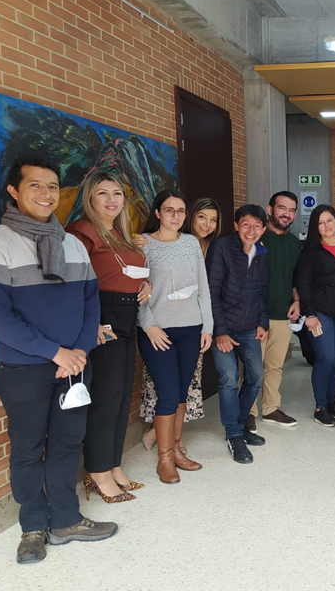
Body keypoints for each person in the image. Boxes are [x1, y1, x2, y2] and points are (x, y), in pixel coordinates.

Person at [0, 157, 117, 564]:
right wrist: (57, 353)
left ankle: (66, 519)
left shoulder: (71, 243)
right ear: (14, 192)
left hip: (74, 365)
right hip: (22, 369)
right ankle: (33, 527)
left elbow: (92, 303)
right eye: (35, 185)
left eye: (53, 186)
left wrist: (78, 353)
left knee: (68, 444)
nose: (46, 194)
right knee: (27, 448)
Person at [67, 171, 152, 503]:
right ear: (90, 198)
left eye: (117, 193)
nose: (112, 200)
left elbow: (130, 272)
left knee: (119, 399)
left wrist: (146, 285)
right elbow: (73, 283)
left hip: (128, 314)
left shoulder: (119, 232)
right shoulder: (81, 231)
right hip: (103, 315)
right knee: (104, 398)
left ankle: (114, 466)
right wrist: (92, 324)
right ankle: (98, 473)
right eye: (103, 193)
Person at [137, 189, 213, 483]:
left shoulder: (192, 243)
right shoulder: (143, 245)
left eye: (181, 211)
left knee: (180, 394)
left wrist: (207, 327)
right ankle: (164, 458)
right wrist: (149, 325)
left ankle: (178, 449)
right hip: (159, 332)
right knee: (167, 395)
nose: (176, 216)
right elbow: (136, 290)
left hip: (191, 329)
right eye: (169, 210)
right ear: (157, 212)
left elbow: (203, 287)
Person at [206, 204, 269, 464]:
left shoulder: (262, 252)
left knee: (255, 377)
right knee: (229, 378)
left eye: (256, 226)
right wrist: (219, 331)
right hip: (224, 328)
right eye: (245, 224)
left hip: (249, 328)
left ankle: (241, 426)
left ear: (264, 229)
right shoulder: (221, 249)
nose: (251, 230)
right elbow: (211, 292)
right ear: (235, 225)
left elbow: (261, 292)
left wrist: (262, 322)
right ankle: (233, 436)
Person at [297, 205, 335, 427]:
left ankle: (331, 400)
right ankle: (319, 406)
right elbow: (303, 282)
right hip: (320, 312)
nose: (326, 226)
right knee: (325, 357)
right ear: (315, 227)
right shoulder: (311, 250)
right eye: (321, 223)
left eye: (330, 220)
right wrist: (310, 314)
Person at [248, 191, 301, 432]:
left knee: (275, 366)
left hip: (283, 315)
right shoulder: (255, 238)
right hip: (256, 316)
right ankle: (247, 411)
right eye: (282, 208)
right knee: (252, 367)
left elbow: (296, 277)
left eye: (291, 210)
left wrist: (297, 301)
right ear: (270, 209)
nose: (286, 214)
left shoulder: (293, 242)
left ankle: (270, 409)